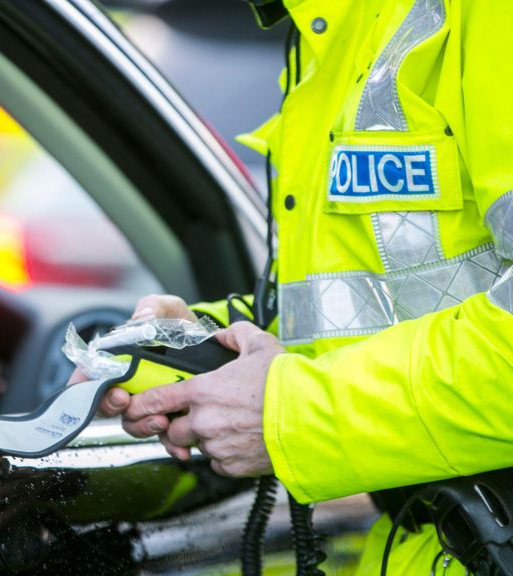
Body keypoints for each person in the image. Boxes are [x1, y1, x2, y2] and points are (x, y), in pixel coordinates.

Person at [98, 1, 513, 573]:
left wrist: (288, 412)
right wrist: (198, 349)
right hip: (438, 542)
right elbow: (354, 312)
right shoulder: (335, 30)